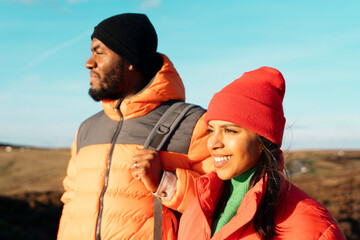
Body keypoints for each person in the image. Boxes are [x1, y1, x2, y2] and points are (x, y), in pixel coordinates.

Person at [57, 13, 213, 240]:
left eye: (99, 52)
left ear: (130, 60)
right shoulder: (86, 129)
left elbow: (220, 205)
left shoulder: (192, 123)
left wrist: (165, 182)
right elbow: (70, 201)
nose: (89, 63)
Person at [178, 67, 345, 240]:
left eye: (229, 130)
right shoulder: (197, 207)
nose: (212, 143)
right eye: (211, 130)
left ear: (262, 141)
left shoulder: (313, 229)